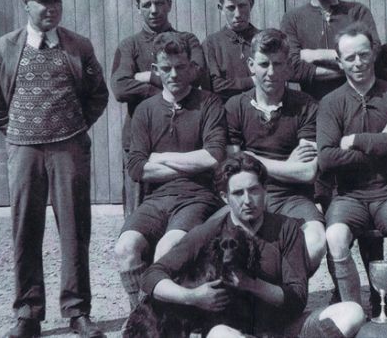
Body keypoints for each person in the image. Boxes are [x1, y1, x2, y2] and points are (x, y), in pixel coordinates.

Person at [0, 0, 109, 338]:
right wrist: (20, 134)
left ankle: (77, 311)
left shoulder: (79, 47)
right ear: (26, 3)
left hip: (68, 148)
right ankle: (28, 313)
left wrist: (73, 128)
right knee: (25, 228)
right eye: (43, 2)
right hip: (24, 151)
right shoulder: (4, 48)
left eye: (56, 2)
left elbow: (98, 94)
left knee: (74, 229)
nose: (51, 9)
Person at [138, 153, 366, 338]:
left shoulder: (287, 228)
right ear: (225, 197)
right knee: (220, 336)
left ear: (265, 191)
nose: (247, 200)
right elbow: (152, 276)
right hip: (234, 332)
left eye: (254, 190)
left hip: (286, 329)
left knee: (353, 312)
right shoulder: (211, 231)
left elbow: (297, 299)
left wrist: (251, 284)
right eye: (238, 193)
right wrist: (193, 297)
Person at [280, 0, 385, 304]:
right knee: (326, 198)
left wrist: (319, 55)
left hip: (360, 108)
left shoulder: (357, 12)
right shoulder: (293, 19)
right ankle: (341, 291)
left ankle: (377, 291)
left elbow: (374, 54)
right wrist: (344, 60)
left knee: (367, 189)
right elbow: (294, 68)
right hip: (315, 114)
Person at [317, 22, 387, 328]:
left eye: (363, 55)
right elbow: (326, 159)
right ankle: (353, 317)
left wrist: (355, 140)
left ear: (374, 53)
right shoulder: (331, 102)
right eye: (350, 58)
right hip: (349, 196)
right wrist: (380, 142)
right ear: (339, 61)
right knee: (335, 236)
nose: (358, 63)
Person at [114, 32, 227, 310]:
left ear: (192, 68)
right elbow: (138, 168)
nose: (174, 74)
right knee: (126, 247)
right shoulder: (145, 110)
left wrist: (161, 157)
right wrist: (189, 164)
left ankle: (164, 316)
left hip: (198, 197)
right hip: (156, 200)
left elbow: (213, 157)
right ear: (155, 70)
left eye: (180, 67)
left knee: (168, 248)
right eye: (166, 68)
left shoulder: (209, 103)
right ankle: (142, 312)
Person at [225, 29, 326, 273]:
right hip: (247, 195)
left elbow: (306, 173)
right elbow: (232, 167)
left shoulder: (306, 105)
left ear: (288, 66)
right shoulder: (235, 106)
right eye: (263, 64)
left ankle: (288, 297)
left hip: (293, 198)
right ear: (251, 65)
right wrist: (286, 165)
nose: (270, 72)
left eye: (278, 64)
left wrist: (251, 159)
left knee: (316, 240)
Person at [111, 0, 209, 217]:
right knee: (138, 214)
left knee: (188, 209)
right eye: (147, 4)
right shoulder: (129, 46)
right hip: (140, 140)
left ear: (170, 4)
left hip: (184, 138)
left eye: (160, 3)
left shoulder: (187, 40)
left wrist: (150, 77)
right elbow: (121, 88)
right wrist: (170, 84)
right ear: (138, 8)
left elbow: (199, 76)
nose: (154, 10)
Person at [203, 0, 260, 102]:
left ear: (251, 4)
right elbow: (215, 85)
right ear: (220, 8)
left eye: (242, 6)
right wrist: (253, 80)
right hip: (227, 114)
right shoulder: (211, 43)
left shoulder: (263, 39)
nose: (238, 14)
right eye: (231, 8)